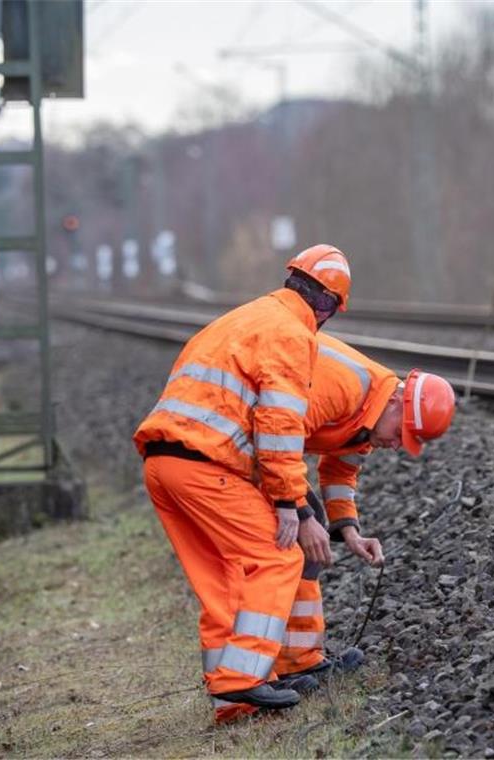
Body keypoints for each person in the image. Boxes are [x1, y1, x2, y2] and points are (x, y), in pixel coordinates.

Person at [132, 244, 351, 721]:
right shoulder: (292, 334)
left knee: (222, 579)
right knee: (276, 555)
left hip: (162, 465)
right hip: (205, 465)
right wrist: (291, 501)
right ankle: (243, 678)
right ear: (328, 305)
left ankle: (230, 705)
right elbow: (278, 424)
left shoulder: (247, 317)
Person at [215, 333, 457, 722]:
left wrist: (349, 531)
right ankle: (260, 673)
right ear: (397, 402)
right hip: (239, 442)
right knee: (281, 544)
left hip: (266, 451)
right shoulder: (345, 387)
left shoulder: (373, 414)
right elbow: (278, 434)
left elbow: (341, 467)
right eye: (401, 433)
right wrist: (299, 513)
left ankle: (300, 662)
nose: (396, 444)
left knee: (304, 535)